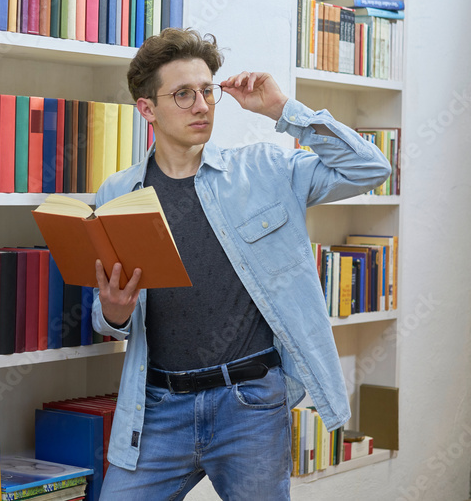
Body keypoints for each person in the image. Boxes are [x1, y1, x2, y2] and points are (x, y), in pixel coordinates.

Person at [91, 28, 391, 499]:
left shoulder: (267, 170)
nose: (202, 105)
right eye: (183, 94)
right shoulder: (118, 193)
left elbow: (369, 168)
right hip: (157, 408)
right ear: (147, 109)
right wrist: (114, 311)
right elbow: (108, 321)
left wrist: (281, 110)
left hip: (250, 405)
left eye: (207, 90)